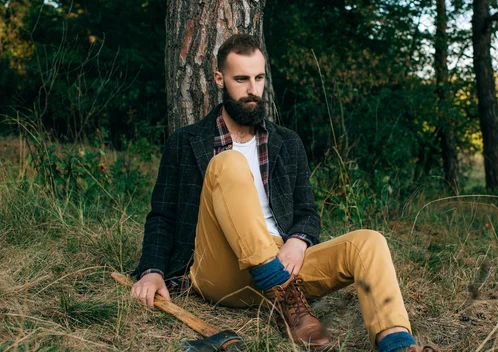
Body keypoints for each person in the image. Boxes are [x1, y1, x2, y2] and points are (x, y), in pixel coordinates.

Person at [131, 34, 426, 352]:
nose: (252, 90)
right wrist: (152, 271)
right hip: (221, 266)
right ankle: (283, 293)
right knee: (229, 163)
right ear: (220, 79)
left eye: (258, 78)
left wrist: (298, 242)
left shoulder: (287, 142)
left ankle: (397, 343)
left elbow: (308, 212)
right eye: (241, 79)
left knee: (370, 241)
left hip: (283, 262)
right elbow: (162, 215)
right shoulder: (186, 141)